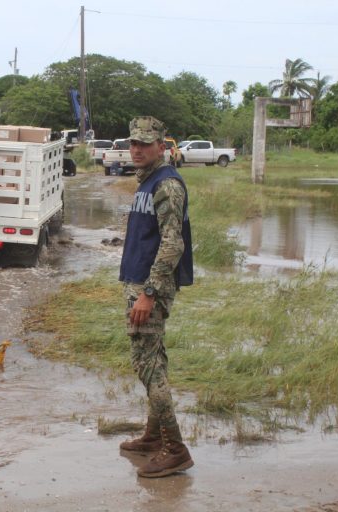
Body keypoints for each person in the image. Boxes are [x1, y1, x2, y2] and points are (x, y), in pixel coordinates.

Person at [118, 116, 195, 478]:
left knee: (148, 366)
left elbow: (172, 242)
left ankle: (175, 448)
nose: (136, 149)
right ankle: (152, 436)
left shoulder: (167, 185)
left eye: (145, 144)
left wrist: (148, 293)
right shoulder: (147, 181)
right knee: (154, 361)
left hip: (150, 287)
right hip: (138, 280)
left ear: (161, 147)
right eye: (133, 143)